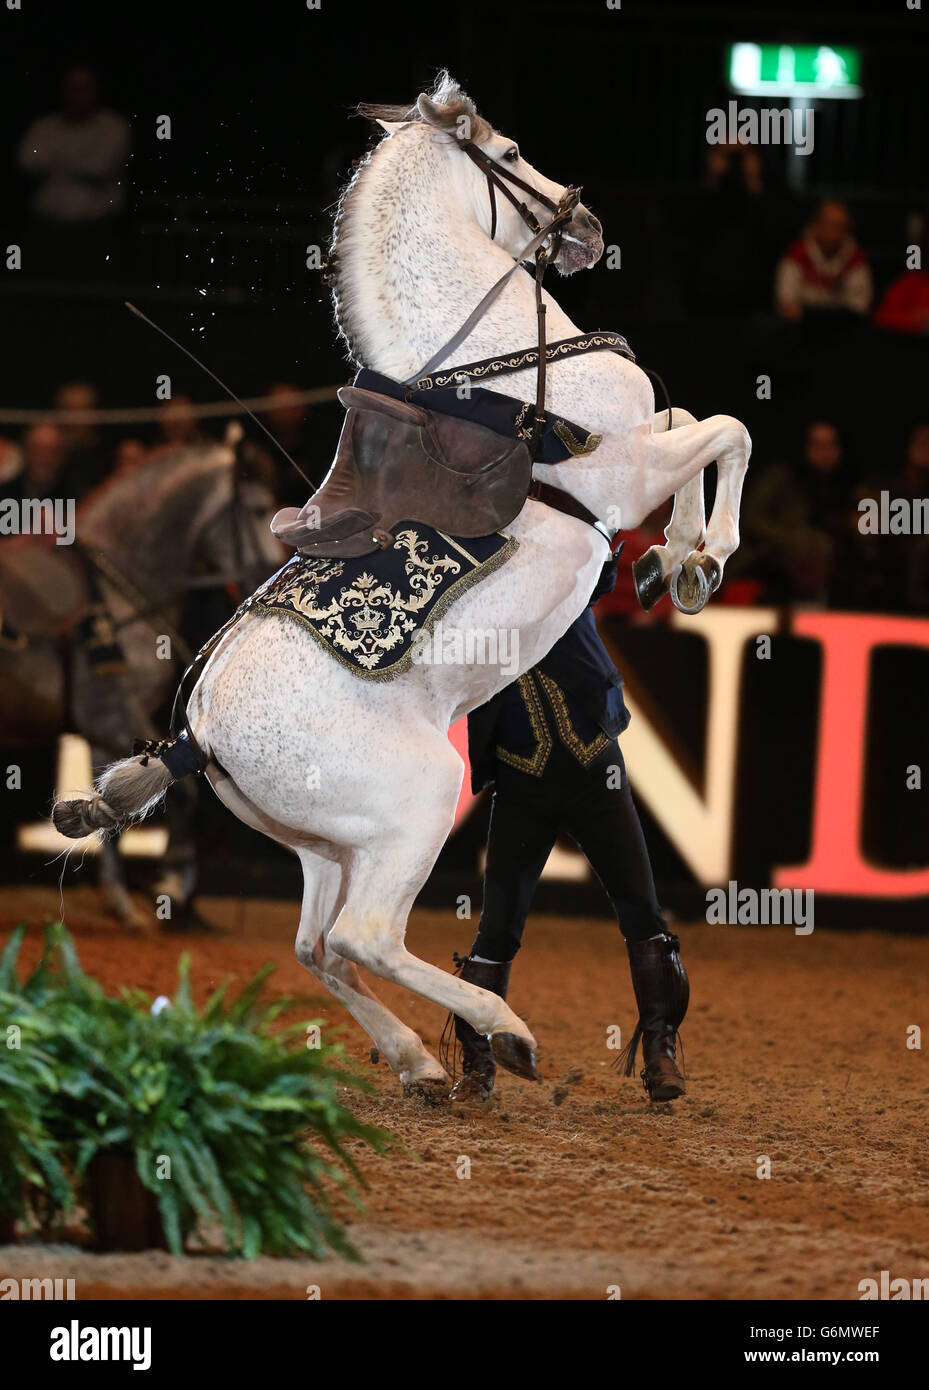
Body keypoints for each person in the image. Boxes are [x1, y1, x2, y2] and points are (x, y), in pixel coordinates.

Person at [449, 553, 689, 1105]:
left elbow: (601, 554)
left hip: (593, 771)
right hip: (521, 782)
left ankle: (660, 1051)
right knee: (498, 929)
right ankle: (477, 1065)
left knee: (641, 910)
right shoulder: (471, 587)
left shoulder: (567, 562)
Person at [775, 201, 872, 321]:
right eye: (829, 224)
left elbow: (860, 306)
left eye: (840, 226)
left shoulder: (855, 259)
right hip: (800, 328)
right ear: (816, 225)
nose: (834, 232)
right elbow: (786, 302)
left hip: (842, 327)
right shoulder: (797, 254)